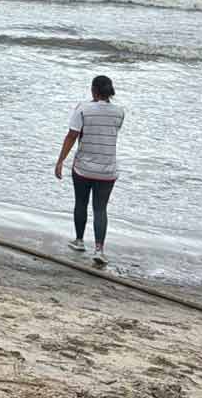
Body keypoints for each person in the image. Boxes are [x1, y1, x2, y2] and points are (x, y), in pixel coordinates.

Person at [55, 75, 124, 266]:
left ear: (94, 90)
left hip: (84, 167)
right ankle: (99, 249)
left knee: (81, 202)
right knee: (100, 209)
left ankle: (79, 241)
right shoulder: (119, 112)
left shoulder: (83, 109)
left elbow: (71, 136)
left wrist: (60, 161)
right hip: (108, 169)